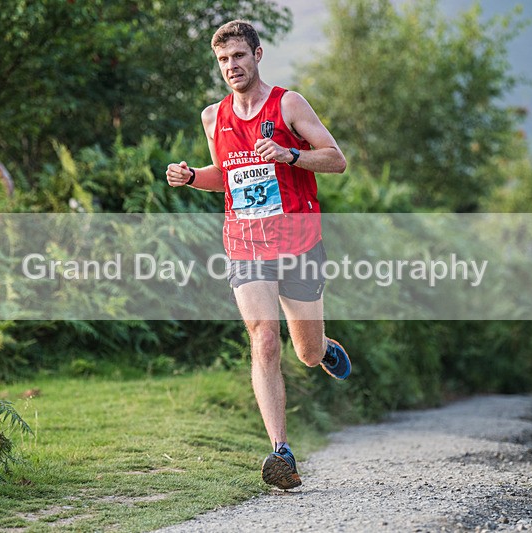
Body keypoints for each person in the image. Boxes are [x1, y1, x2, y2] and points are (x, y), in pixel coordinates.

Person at [165, 19, 351, 490]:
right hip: (245, 244)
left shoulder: (288, 104)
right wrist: (192, 177)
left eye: (239, 56)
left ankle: (325, 349)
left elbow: (335, 158)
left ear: (258, 55)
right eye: (224, 60)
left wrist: (290, 155)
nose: (232, 66)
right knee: (265, 339)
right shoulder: (213, 117)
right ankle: (281, 452)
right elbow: (226, 177)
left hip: (300, 243)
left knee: (306, 352)